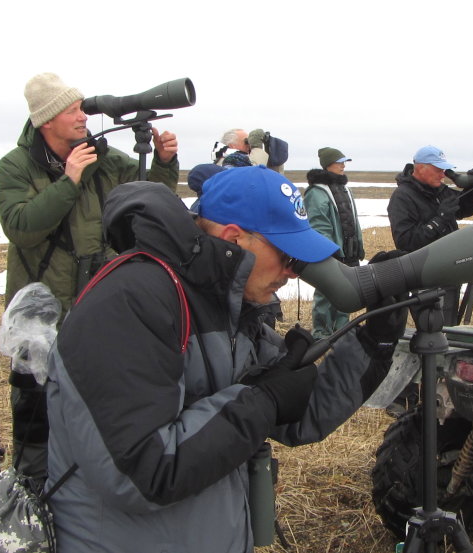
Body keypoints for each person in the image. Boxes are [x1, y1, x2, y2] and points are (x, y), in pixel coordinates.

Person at [44, 166, 408, 553]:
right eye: (286, 254)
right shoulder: (129, 301)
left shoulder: (229, 307)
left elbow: (301, 411)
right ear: (234, 238)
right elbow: (141, 471)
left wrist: (375, 338)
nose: (291, 271)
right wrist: (262, 399)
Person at [0, 72, 179, 479]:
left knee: (92, 409)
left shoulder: (102, 160)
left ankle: (83, 491)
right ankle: (29, 502)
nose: (84, 116)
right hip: (37, 318)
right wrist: (69, 180)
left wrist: (165, 163)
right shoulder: (16, 166)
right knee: (34, 424)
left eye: (81, 107)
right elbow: (21, 226)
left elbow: (147, 196)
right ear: (47, 121)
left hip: (93, 307)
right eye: (72, 110)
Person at [387, 145, 473, 325]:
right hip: (425, 277)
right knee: (433, 331)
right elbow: (406, 242)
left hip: (450, 271)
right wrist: (440, 219)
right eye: (438, 169)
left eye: (444, 170)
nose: (443, 174)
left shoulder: (439, 190)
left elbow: (465, 209)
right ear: (420, 167)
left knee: (449, 328)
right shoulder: (402, 197)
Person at [304, 147, 365, 339]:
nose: (343, 166)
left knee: (346, 291)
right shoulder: (316, 192)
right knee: (325, 293)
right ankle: (321, 333)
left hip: (349, 252)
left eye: (343, 162)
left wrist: (358, 247)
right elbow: (318, 224)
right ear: (328, 164)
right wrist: (329, 251)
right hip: (330, 253)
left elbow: (354, 221)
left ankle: (341, 331)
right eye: (339, 162)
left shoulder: (345, 189)